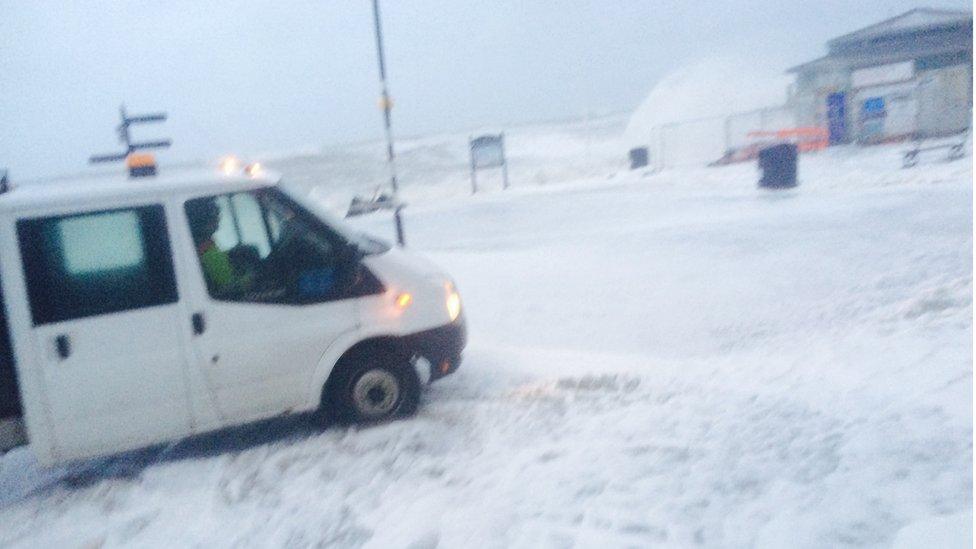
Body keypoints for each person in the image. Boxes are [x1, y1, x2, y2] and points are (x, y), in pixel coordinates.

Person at [186, 198, 253, 297]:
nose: (218, 218)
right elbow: (229, 285)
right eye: (214, 214)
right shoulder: (208, 252)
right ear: (203, 221)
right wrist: (251, 277)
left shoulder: (197, 245)